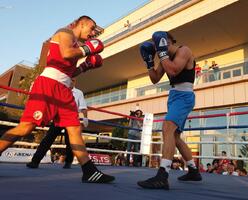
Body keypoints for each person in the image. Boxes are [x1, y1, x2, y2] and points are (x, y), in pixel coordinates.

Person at [0, 16, 114, 183]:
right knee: (25, 128)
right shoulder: (65, 33)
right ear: (81, 24)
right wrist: (88, 50)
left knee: (75, 129)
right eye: (91, 28)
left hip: (64, 90)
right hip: (48, 85)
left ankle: (89, 171)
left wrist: (85, 66)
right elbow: (66, 53)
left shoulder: (77, 46)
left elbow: (69, 73)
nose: (92, 33)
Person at [137, 31, 202, 190]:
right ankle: (193, 170)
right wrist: (149, 62)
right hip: (174, 96)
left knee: (167, 127)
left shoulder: (184, 50)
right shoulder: (164, 57)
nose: (154, 46)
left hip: (184, 96)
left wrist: (162, 54)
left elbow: (173, 70)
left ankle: (163, 175)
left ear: (167, 41)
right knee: (175, 136)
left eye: (156, 43)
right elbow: (155, 78)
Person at [26, 78, 88, 169]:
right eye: (70, 80)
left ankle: (68, 162)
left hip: (71, 119)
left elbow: (83, 107)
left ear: (75, 81)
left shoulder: (79, 93)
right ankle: (35, 161)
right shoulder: (60, 89)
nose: (71, 82)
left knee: (70, 142)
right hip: (58, 118)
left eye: (73, 80)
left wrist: (85, 118)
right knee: (48, 139)